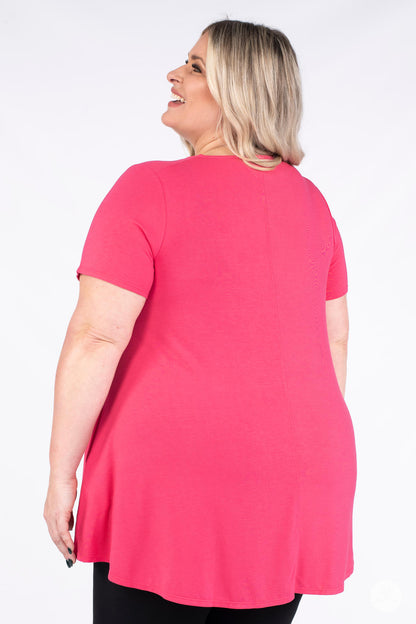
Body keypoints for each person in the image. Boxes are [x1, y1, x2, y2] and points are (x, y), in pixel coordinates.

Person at [43, 18, 356, 624]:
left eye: (195, 67)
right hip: (300, 477)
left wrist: (62, 474)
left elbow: (96, 336)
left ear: (239, 89)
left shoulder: (148, 188)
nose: (173, 75)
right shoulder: (312, 202)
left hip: (172, 478)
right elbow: (334, 339)